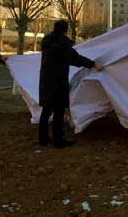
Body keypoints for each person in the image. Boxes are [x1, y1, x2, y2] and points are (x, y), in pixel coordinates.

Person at [39, 20, 104, 149]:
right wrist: (93, 64)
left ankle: (43, 139)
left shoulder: (47, 42)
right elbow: (74, 58)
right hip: (58, 81)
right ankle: (58, 141)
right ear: (65, 30)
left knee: (46, 111)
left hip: (46, 80)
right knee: (58, 112)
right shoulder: (61, 43)